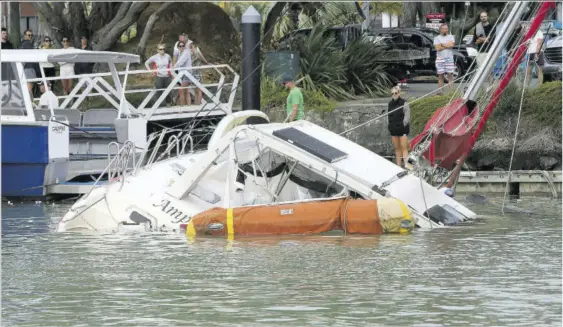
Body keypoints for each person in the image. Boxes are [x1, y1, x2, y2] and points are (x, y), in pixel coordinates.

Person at [387, 86, 410, 168]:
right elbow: (389, 116)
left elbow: (407, 116)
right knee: (397, 148)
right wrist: (390, 126)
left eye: (396, 93)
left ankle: (407, 165)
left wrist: (403, 125)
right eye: (392, 94)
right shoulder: (390, 104)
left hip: (402, 129)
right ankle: (398, 166)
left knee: (404, 147)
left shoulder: (404, 103)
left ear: (399, 93)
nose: (394, 95)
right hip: (394, 130)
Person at [434, 23, 455, 94]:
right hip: (440, 59)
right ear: (441, 30)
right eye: (445, 29)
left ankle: (451, 93)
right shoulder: (437, 38)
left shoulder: (451, 37)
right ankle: (441, 93)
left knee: (450, 75)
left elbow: (452, 45)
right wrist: (447, 45)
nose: (447, 30)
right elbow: (438, 48)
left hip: (449, 58)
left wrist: (442, 44)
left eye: (447, 28)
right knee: (441, 76)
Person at [188, 39, 210, 105]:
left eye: (191, 45)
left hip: (197, 72)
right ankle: (196, 104)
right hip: (191, 73)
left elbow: (201, 57)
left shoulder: (196, 51)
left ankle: (198, 104)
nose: (190, 46)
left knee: (199, 89)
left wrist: (207, 63)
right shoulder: (188, 52)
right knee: (195, 90)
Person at [173, 41, 192, 106]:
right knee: (186, 91)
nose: (182, 47)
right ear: (178, 47)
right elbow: (178, 62)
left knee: (181, 90)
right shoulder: (180, 53)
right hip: (182, 74)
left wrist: (173, 68)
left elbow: (180, 62)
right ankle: (188, 107)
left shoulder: (186, 52)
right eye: (180, 46)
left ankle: (182, 108)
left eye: (183, 46)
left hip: (187, 74)